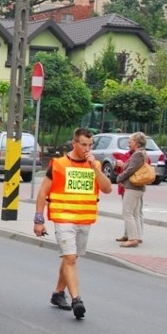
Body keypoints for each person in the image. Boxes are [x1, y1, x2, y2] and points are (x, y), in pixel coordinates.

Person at [33, 127, 112, 319]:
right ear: (74, 143)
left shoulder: (95, 165)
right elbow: (43, 192)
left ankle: (58, 293)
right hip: (63, 218)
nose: (87, 148)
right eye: (83, 144)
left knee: (71, 258)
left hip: (84, 219)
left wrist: (94, 168)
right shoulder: (58, 164)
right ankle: (77, 300)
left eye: (90, 145)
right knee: (69, 258)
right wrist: (39, 220)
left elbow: (107, 188)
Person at [115, 132, 148, 248]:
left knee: (127, 213)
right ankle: (137, 237)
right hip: (138, 188)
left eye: (131, 141)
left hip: (132, 188)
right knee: (135, 214)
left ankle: (132, 239)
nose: (129, 144)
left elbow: (130, 169)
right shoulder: (142, 153)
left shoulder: (138, 154)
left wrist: (119, 178)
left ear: (136, 142)